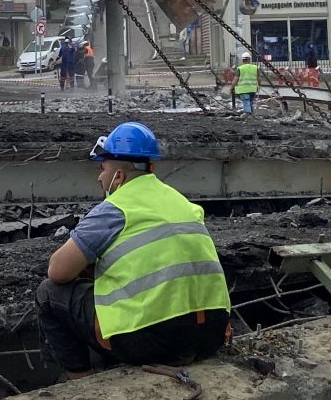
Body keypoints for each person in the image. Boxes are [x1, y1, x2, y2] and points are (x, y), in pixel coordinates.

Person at [35, 123, 230, 380]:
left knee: (49, 293)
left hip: (150, 342)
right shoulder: (182, 202)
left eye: (102, 169)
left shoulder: (116, 207)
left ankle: (79, 380)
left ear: (119, 174)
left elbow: (58, 271)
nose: (99, 178)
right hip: (211, 335)